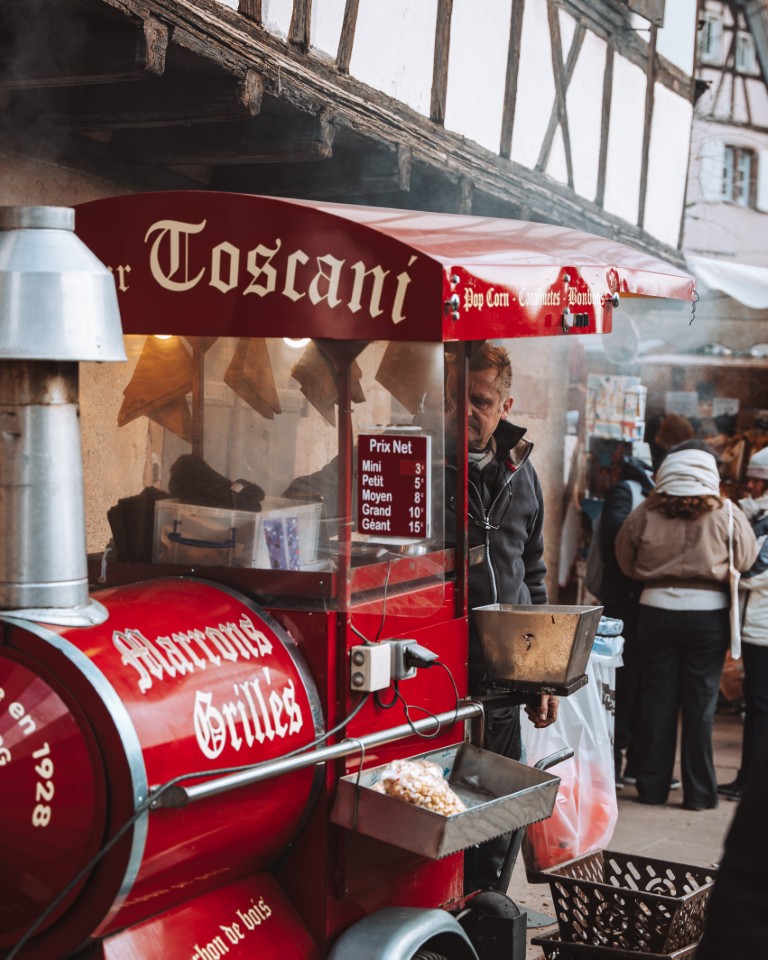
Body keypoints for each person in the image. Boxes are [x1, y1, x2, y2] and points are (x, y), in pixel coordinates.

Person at [446, 343, 558, 892]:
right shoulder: (417, 459)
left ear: (505, 404)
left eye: (480, 400)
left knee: (496, 823)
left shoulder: (521, 470)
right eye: (453, 397)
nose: (464, 411)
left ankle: (486, 918)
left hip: (502, 682)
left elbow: (531, 572)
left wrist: (540, 672)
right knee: (441, 815)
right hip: (434, 675)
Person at [615, 441, 758, 811]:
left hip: (655, 611)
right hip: (708, 617)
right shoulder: (726, 511)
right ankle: (699, 792)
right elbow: (746, 557)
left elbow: (625, 559)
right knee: (701, 705)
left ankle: (652, 786)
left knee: (657, 701)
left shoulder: (647, 510)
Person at [596, 455, 655, 789]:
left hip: (639, 602)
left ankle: (632, 762)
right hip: (624, 601)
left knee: (639, 683)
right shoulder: (628, 493)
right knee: (623, 682)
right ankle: (615, 763)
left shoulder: (648, 494)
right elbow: (613, 538)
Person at [717, 446, 768, 802]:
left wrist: (722, 569)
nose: (749, 485)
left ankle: (750, 781)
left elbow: (755, 570)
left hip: (762, 627)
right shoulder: (757, 515)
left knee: (759, 706)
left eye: (758, 480)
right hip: (756, 623)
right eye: (750, 478)